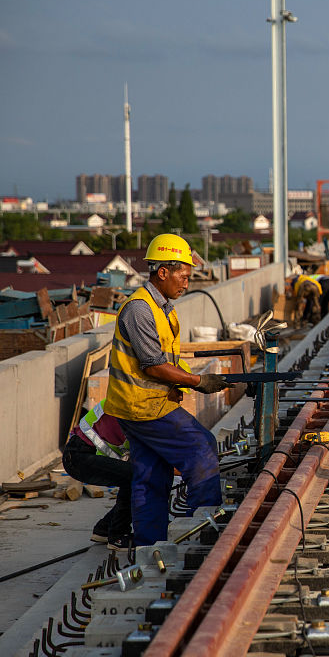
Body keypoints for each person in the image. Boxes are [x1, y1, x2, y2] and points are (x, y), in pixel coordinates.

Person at [105, 234, 231, 547]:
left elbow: (165, 361)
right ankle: (203, 533)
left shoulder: (163, 308)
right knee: (200, 448)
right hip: (143, 407)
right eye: (184, 276)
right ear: (163, 272)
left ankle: (150, 545)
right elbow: (153, 365)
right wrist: (199, 382)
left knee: (151, 474)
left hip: (143, 405)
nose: (187, 283)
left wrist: (184, 379)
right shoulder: (140, 310)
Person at [63, 399, 133, 548]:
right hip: (78, 456)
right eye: (178, 392)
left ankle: (104, 529)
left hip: (81, 453)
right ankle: (118, 536)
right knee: (136, 477)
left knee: (133, 476)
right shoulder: (134, 404)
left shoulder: (128, 395)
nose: (179, 398)